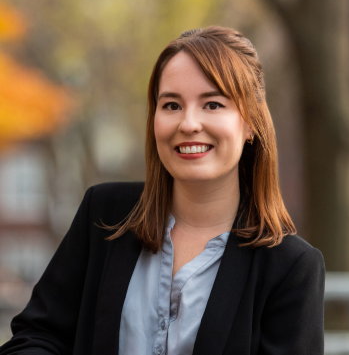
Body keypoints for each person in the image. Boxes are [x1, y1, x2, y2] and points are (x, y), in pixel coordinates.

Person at [0, 26, 325, 355]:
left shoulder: (291, 268)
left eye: (212, 105)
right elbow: (37, 337)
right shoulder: (103, 215)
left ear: (251, 124)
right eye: (171, 105)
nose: (188, 124)